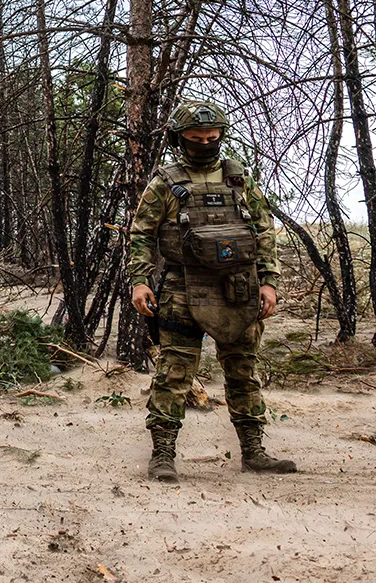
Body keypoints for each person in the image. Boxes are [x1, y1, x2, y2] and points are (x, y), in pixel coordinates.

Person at [128, 99, 296, 483]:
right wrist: (139, 280)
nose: (205, 143)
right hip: (182, 287)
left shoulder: (239, 179)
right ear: (179, 139)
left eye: (212, 137)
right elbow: (141, 234)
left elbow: (264, 231)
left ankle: (254, 451)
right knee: (173, 373)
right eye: (195, 138)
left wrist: (268, 281)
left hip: (238, 287)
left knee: (244, 370)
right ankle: (163, 454)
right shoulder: (166, 183)